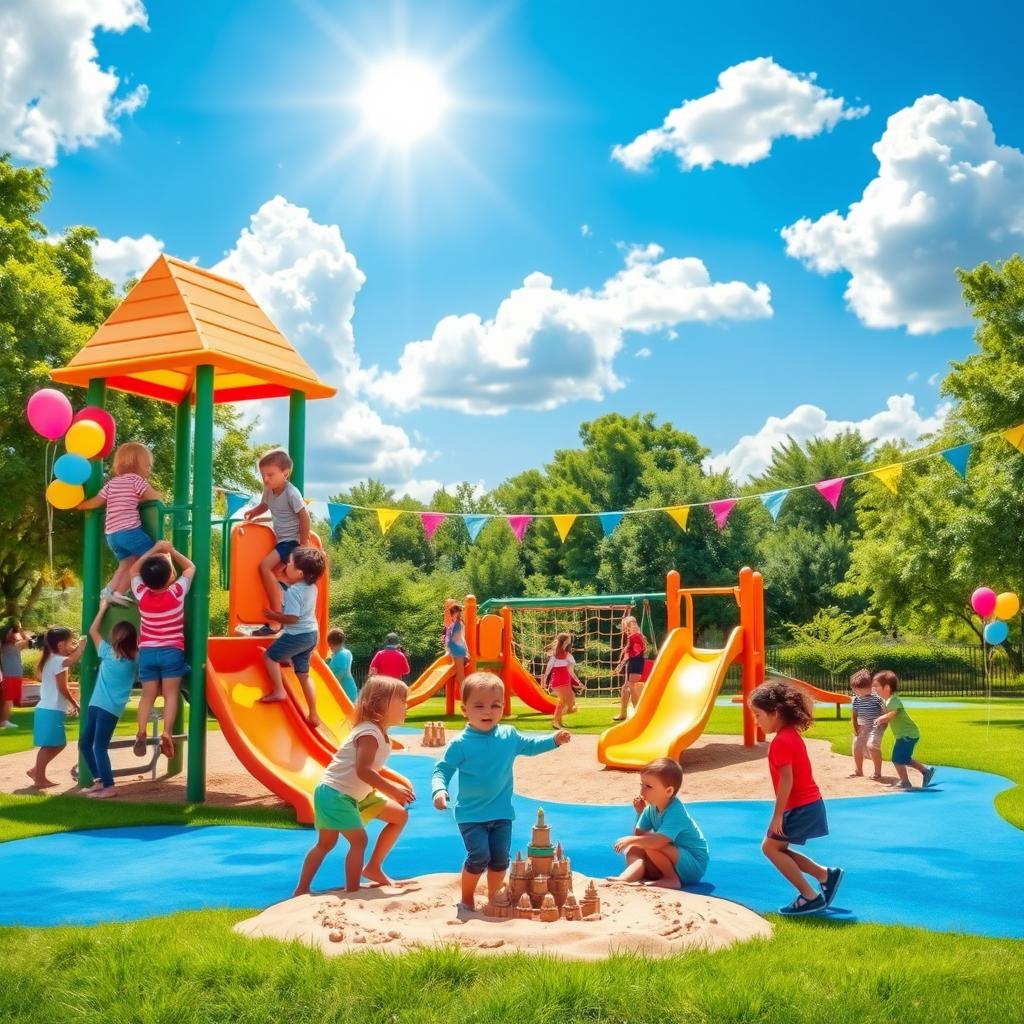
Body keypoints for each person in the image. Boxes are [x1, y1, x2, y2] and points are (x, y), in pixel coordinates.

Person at [432, 672, 571, 912]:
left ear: (503, 707)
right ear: (465, 709)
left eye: (495, 705)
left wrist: (554, 740)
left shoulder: (509, 735)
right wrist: (439, 790)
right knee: (478, 856)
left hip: (501, 813)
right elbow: (441, 770)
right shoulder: (460, 744)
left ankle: (495, 897)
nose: (488, 711)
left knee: (499, 859)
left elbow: (531, 745)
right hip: (471, 815)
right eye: (479, 706)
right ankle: (466, 898)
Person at [293, 675, 415, 895]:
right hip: (336, 793)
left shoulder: (380, 733)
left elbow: (372, 767)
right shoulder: (368, 732)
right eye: (402, 701)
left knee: (399, 816)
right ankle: (352, 891)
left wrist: (394, 783)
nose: (407, 706)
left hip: (356, 795)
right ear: (380, 703)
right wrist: (392, 789)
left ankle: (374, 867)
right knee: (354, 841)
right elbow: (363, 770)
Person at [749, 679, 843, 916]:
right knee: (777, 848)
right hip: (808, 803)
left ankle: (809, 896)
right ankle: (824, 875)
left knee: (770, 848)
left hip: (800, 805)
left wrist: (777, 815)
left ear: (776, 713)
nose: (755, 721)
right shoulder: (790, 734)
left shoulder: (781, 741)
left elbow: (786, 781)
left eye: (758, 715)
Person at [130, 540, 195, 759]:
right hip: (172, 651)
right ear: (170, 577)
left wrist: (155, 549)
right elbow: (190, 568)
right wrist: (171, 550)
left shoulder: (141, 594)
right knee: (170, 695)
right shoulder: (175, 593)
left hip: (147, 652)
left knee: (147, 696)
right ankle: (166, 732)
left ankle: (141, 731)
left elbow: (133, 569)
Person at [77, 442, 162, 607]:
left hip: (112, 536)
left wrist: (80, 505)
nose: (149, 470)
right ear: (139, 465)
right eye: (148, 466)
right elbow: (156, 498)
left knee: (125, 564)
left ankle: (113, 592)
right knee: (156, 555)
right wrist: (156, 497)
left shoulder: (112, 484)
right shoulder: (137, 481)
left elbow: (96, 502)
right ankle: (151, 588)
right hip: (129, 532)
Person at [608, 756, 709, 888]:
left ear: (669, 791)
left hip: (693, 865)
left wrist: (631, 839)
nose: (642, 790)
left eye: (649, 786)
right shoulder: (651, 808)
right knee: (634, 848)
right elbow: (639, 835)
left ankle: (671, 879)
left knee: (650, 843)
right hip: (673, 859)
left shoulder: (676, 811)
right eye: (642, 785)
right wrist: (640, 813)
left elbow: (658, 842)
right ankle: (627, 877)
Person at [242, 449, 309, 636]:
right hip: (282, 541)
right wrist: (254, 512)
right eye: (263, 475)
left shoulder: (291, 493)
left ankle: (275, 621)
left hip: (292, 543)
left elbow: (304, 517)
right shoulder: (269, 490)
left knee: (264, 568)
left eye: (270, 475)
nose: (265, 479)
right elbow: (265, 505)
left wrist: (303, 545)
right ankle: (286, 611)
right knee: (279, 577)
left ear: (285, 474)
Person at [259, 546, 327, 727]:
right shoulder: (311, 587)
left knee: (269, 656)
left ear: (299, 572)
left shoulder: (294, 592)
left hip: (298, 635)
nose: (286, 564)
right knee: (304, 675)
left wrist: (274, 616)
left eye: (289, 563)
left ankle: (279, 690)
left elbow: (292, 619)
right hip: (312, 635)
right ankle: (313, 714)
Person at [79, 600, 138, 799]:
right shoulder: (132, 656)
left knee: (98, 746)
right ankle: (100, 780)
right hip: (98, 704)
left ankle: (110, 786)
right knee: (85, 744)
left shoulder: (111, 652)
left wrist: (103, 607)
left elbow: (93, 631)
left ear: (116, 636)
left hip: (108, 707)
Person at [27, 627, 84, 788]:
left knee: (56, 743)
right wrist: (75, 704)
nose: (72, 645)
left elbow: (72, 657)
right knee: (51, 746)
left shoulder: (50, 658)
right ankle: (39, 778)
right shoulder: (59, 661)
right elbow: (62, 687)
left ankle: (36, 772)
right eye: (69, 642)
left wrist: (76, 647)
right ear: (60, 645)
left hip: (47, 709)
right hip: (50, 709)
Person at [873, 670, 935, 790]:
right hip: (906, 735)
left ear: (886, 687)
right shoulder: (888, 701)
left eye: (877, 687)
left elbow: (893, 713)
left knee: (897, 758)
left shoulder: (893, 700)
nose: (874, 689)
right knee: (904, 758)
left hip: (908, 735)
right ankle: (926, 771)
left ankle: (905, 781)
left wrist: (882, 718)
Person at [849, 668, 886, 781]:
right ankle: (858, 770)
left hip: (876, 727)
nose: (857, 692)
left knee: (872, 746)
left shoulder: (877, 697)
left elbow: (885, 712)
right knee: (856, 745)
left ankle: (877, 772)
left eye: (860, 690)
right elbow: (854, 715)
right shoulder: (856, 699)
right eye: (855, 690)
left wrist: (883, 724)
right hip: (863, 726)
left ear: (870, 686)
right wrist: (856, 729)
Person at [540, 632, 583, 730]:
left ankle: (558, 722)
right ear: (564, 641)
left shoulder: (567, 655)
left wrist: (578, 682)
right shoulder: (555, 655)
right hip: (558, 682)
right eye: (568, 639)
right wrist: (544, 682)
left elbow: (571, 672)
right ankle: (556, 721)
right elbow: (548, 670)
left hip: (565, 682)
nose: (570, 640)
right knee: (568, 700)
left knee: (563, 701)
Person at [612, 614, 647, 721]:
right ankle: (623, 713)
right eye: (631, 624)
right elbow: (629, 654)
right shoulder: (632, 637)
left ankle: (638, 712)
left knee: (631, 687)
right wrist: (620, 665)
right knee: (625, 688)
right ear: (627, 627)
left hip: (636, 662)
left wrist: (633, 650)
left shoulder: (635, 636)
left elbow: (636, 652)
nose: (634, 625)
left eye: (635, 623)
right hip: (633, 662)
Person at [0, 622, 31, 729]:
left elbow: (28, 641)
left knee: (9, 700)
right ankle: (3, 722)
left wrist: (20, 629)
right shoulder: (2, 646)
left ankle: (4, 721)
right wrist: (7, 630)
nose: (14, 635)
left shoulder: (17, 645)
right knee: (8, 699)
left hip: (16, 676)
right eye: (12, 633)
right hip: (7, 676)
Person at [326, 627, 358, 703]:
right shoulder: (345, 652)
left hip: (344, 689)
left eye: (329, 645)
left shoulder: (341, 655)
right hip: (349, 688)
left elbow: (341, 673)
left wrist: (328, 682)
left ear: (331, 643)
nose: (329, 647)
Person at [444, 601, 469, 689]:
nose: (452, 615)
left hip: (458, 651)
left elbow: (454, 639)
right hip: (458, 650)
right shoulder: (457, 624)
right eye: (451, 613)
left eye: (452, 612)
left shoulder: (457, 624)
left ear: (457, 613)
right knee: (459, 677)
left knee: (461, 677)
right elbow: (460, 638)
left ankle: (465, 698)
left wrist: (448, 648)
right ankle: (464, 699)